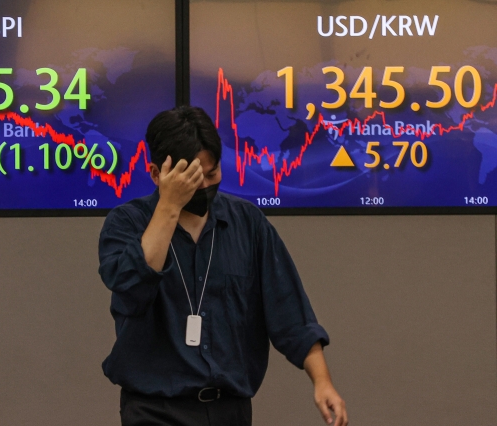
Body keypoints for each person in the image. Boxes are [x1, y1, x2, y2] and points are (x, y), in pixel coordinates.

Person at [98, 105, 348, 426]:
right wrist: (169, 206)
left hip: (229, 409)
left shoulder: (248, 223)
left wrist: (322, 382)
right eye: (190, 178)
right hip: (155, 409)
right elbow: (132, 287)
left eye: (211, 174)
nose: (203, 187)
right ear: (157, 174)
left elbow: (289, 309)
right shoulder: (126, 223)